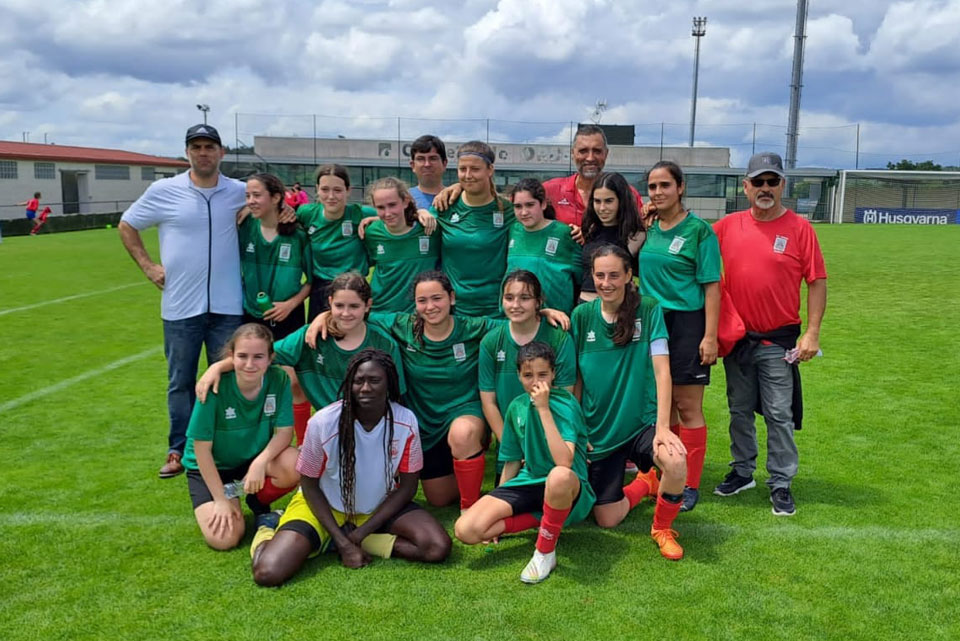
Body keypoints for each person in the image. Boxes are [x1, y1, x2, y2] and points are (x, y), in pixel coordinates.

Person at [307, 270, 569, 510]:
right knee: (439, 499)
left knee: (463, 434)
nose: (430, 307)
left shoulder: (473, 327)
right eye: (422, 300)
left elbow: (516, 322)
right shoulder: (402, 326)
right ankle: (466, 466)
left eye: (437, 298)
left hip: (464, 414)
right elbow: (355, 312)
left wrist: (542, 313)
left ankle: (471, 505)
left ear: (451, 298)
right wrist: (325, 315)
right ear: (415, 303)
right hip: (426, 423)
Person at [249, 349, 451, 586]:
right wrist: (345, 544)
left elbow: (407, 487)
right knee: (267, 572)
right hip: (322, 505)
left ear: (390, 384)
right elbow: (309, 485)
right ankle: (268, 527)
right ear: (349, 383)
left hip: (377, 505)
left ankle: (339, 539)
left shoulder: (405, 421)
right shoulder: (323, 423)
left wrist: (357, 536)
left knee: (437, 548)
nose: (365, 388)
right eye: (358, 381)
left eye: (374, 380)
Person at [119, 124, 245, 479]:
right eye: (196, 147)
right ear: (187, 152)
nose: (203, 153)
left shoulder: (238, 191)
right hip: (180, 307)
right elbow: (128, 224)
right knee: (181, 381)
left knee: (228, 379)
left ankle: (225, 446)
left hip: (228, 306)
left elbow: (270, 203)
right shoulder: (164, 190)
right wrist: (148, 266)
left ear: (222, 152)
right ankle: (179, 449)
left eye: (210, 146)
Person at [712, 152, 827, 517]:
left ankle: (780, 482)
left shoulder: (800, 228)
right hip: (737, 340)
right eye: (757, 182)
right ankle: (742, 471)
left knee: (779, 413)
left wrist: (812, 332)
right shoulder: (726, 227)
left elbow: (817, 281)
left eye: (772, 181)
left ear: (782, 186)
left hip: (778, 341)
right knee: (739, 409)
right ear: (745, 187)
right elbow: (686, 240)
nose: (765, 188)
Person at [572, 244, 688, 560]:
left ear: (628, 275)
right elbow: (577, 380)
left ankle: (662, 528)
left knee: (676, 462)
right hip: (600, 432)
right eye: (599, 275)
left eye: (613, 275)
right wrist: (577, 432)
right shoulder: (581, 316)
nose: (606, 282)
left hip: (642, 424)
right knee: (606, 519)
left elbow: (663, 370)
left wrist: (663, 428)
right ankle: (645, 484)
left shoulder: (648, 309)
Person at [196, 272, 406, 446]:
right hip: (328, 431)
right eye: (340, 306)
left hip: (372, 430)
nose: (346, 313)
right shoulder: (309, 337)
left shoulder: (384, 344)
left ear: (368, 305)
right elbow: (261, 356)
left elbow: (397, 399)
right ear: (330, 303)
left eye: (354, 306)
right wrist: (218, 367)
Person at [456, 342, 595, 584]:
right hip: (530, 481)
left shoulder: (566, 404)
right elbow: (511, 462)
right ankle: (543, 520)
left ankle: (544, 552)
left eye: (543, 375)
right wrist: (498, 502)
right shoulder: (516, 407)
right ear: (518, 375)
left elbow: (564, 461)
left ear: (553, 374)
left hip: (567, 487)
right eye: (528, 375)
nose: (535, 382)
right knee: (466, 530)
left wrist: (543, 410)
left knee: (558, 476)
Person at [638, 161, 721, 512]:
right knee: (662, 403)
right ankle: (665, 473)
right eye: (653, 186)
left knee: (688, 406)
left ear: (681, 187)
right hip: (653, 322)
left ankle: (689, 483)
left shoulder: (699, 231)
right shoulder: (649, 226)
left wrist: (710, 336)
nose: (658, 192)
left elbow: (712, 285)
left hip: (688, 323)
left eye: (665, 185)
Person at [182, 323, 300, 550]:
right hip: (212, 467)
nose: (249, 364)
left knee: (295, 463)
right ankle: (228, 495)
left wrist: (260, 462)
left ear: (270, 358)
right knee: (224, 539)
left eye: (258, 357)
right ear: (231, 356)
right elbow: (201, 449)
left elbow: (284, 433)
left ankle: (256, 501)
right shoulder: (213, 386)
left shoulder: (279, 379)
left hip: (250, 461)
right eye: (242, 356)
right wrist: (219, 500)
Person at [479, 270, 576, 463]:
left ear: (538, 302)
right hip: (513, 447)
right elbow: (488, 403)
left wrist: (542, 445)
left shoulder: (559, 338)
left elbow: (565, 397)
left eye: (525, 298)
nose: (515, 305)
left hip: (552, 444)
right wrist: (511, 446)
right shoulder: (491, 341)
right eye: (509, 298)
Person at [433, 141, 515, 317]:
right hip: (454, 309)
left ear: (490, 170)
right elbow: (407, 221)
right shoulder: (445, 206)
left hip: (497, 309)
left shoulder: (508, 210)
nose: (468, 175)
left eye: (475, 169)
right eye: (463, 169)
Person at [240, 173, 312, 340]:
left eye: (257, 195)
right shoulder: (243, 226)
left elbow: (312, 280)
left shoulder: (298, 235)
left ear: (275, 198)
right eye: (247, 196)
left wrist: (290, 305)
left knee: (285, 365)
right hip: (250, 314)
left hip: (288, 315)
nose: (250, 201)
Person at [296, 164, 373, 321]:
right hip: (320, 290)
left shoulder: (360, 213)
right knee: (318, 340)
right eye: (325, 189)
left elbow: (396, 214)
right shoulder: (306, 214)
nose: (331, 196)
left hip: (354, 288)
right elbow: (276, 213)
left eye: (337, 190)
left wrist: (377, 218)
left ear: (348, 190)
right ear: (317, 189)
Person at [362, 177, 440, 313]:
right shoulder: (371, 232)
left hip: (418, 315)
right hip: (380, 313)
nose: (387, 213)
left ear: (405, 202)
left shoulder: (429, 229)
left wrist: (422, 211)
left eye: (392, 205)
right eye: (380, 207)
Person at [506, 178, 582, 314]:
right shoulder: (513, 230)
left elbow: (582, 277)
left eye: (530, 205)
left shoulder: (564, 233)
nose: (524, 212)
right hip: (518, 317)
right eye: (518, 206)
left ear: (543, 204)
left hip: (556, 321)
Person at [543, 125, 643, 227]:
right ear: (572, 154)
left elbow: (640, 232)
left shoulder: (628, 194)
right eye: (583, 151)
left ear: (606, 154)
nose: (590, 158)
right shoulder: (550, 190)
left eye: (597, 151)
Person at [578, 172, 646, 304]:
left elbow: (642, 275)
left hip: (618, 310)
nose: (602, 208)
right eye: (597, 201)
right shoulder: (590, 229)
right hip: (584, 308)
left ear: (621, 200)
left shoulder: (635, 235)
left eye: (609, 201)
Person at [408, 135, 448, 210]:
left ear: (444, 164)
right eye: (421, 159)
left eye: (433, 158)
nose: (427, 164)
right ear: (413, 165)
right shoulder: (402, 199)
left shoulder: (458, 198)